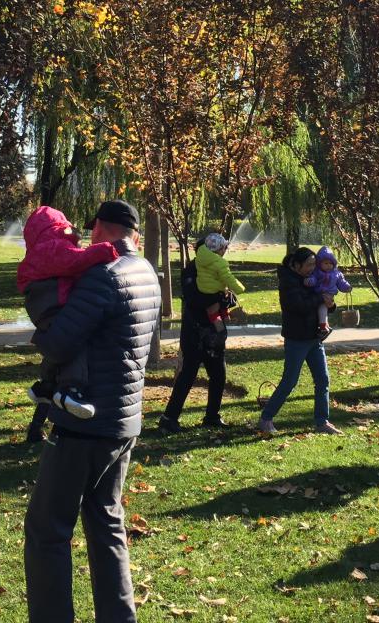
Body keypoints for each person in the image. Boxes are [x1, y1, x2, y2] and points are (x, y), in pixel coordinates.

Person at [23, 199, 160, 623]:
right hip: (124, 420)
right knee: (106, 521)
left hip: (84, 424)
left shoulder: (103, 276)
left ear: (101, 227)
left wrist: (41, 336)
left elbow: (59, 343)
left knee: (47, 529)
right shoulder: (146, 271)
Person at [18, 206, 120, 419]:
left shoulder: (41, 250)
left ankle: (45, 386)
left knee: (56, 344)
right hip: (52, 303)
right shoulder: (52, 247)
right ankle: (70, 390)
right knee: (74, 343)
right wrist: (104, 250)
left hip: (46, 305)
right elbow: (75, 261)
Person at [256, 247, 341, 435]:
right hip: (297, 339)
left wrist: (330, 304)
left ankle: (322, 422)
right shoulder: (288, 281)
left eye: (314, 264)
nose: (313, 268)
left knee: (323, 379)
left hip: (314, 338)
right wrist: (320, 298)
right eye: (309, 265)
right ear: (296, 265)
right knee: (290, 381)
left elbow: (322, 301)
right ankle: (266, 418)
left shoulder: (312, 278)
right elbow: (299, 306)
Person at [158, 236, 230, 433]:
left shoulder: (218, 268)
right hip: (194, 332)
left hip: (214, 332)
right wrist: (215, 300)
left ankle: (212, 416)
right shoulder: (191, 270)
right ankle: (169, 418)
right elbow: (193, 298)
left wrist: (224, 300)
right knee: (188, 375)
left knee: (219, 374)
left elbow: (226, 296)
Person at [194, 232, 245, 326]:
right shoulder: (219, 262)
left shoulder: (200, 258)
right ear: (219, 249)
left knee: (216, 312)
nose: (226, 250)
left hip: (203, 291)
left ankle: (224, 323)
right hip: (215, 292)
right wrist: (239, 288)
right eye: (225, 248)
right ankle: (221, 328)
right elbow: (228, 277)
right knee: (217, 314)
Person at [306, 246, 352, 339]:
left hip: (329, 294)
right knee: (322, 308)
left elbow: (341, 282)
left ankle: (323, 326)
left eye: (330, 263)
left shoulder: (336, 273)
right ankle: (324, 326)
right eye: (326, 263)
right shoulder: (317, 272)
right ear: (319, 263)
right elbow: (313, 278)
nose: (328, 265)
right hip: (319, 293)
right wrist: (310, 281)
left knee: (324, 308)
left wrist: (347, 287)